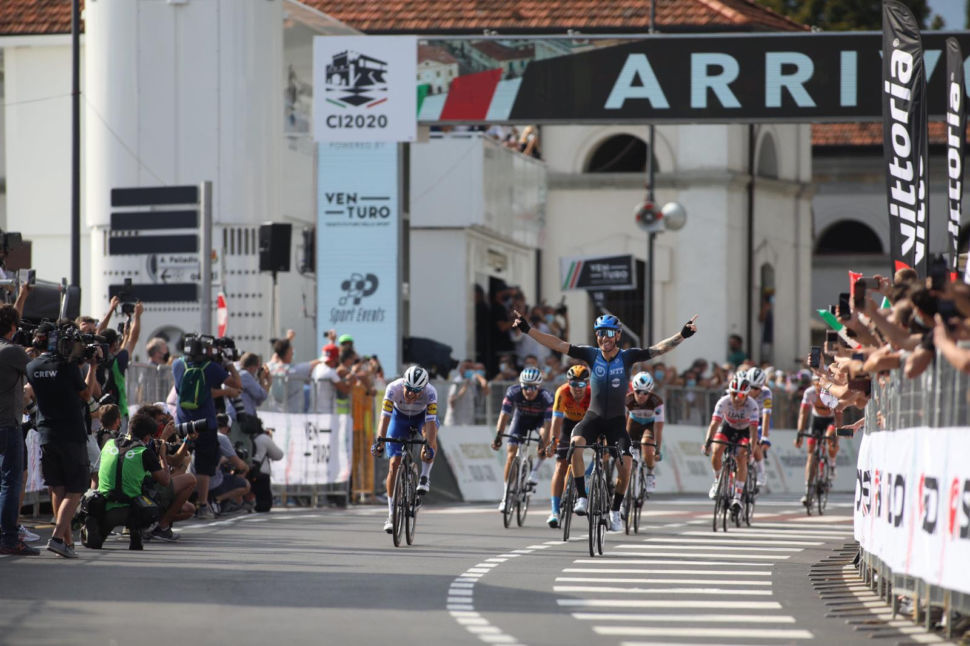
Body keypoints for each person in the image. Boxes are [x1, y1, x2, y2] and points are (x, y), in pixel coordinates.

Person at [510, 310, 698, 532]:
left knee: (626, 466)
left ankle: (615, 510)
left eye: (609, 333)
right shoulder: (591, 354)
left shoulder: (627, 357)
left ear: (617, 335)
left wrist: (682, 334)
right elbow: (557, 344)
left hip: (617, 422)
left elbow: (658, 349)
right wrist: (527, 329)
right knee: (576, 444)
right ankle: (582, 497)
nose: (604, 337)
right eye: (600, 333)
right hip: (593, 417)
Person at [27, 323, 100, 558]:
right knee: (77, 488)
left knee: (57, 488)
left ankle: (66, 543)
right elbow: (87, 394)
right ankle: (58, 536)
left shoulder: (32, 366)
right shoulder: (68, 367)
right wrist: (92, 366)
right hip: (71, 434)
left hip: (46, 434)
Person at [173, 334, 241, 519]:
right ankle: (202, 505)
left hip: (183, 420)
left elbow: (180, 390)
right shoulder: (211, 368)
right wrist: (228, 364)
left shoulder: (178, 364)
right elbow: (237, 384)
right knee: (204, 466)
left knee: (180, 459)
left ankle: (173, 500)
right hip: (206, 422)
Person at [92, 412, 173, 551]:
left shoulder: (109, 443)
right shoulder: (143, 452)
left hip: (104, 505)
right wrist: (162, 456)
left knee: (95, 543)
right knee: (150, 488)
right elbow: (165, 481)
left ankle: (98, 531)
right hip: (131, 509)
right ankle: (137, 531)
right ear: (147, 437)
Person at [372, 365, 438, 533]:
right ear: (403, 383)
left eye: (416, 391)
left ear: (423, 389)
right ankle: (391, 514)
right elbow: (384, 418)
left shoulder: (431, 393)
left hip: (421, 418)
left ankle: (424, 477)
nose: (410, 394)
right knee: (394, 464)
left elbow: (430, 423)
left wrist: (428, 445)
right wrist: (379, 440)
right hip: (398, 418)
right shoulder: (392, 388)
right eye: (408, 388)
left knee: (429, 438)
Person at [490, 366, 554, 513]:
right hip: (520, 420)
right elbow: (504, 415)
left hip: (539, 421)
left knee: (545, 440)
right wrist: (498, 435)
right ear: (521, 385)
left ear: (539, 387)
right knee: (511, 455)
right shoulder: (513, 392)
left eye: (533, 387)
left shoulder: (547, 397)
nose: (529, 391)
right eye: (526, 387)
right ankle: (506, 496)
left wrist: (543, 443)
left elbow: (548, 424)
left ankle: (535, 471)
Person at [0, 304, 36, 555]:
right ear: (13, 328)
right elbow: (37, 372)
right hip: (7, 424)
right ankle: (10, 538)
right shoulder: (12, 351)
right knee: (11, 482)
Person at [702, 375, 759, 513]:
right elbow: (714, 423)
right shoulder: (723, 402)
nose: (737, 398)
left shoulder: (752, 405)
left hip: (744, 431)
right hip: (728, 427)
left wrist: (751, 447)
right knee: (717, 449)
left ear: (746, 395)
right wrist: (708, 442)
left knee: (742, 456)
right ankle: (717, 481)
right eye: (734, 394)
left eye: (741, 395)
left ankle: (738, 497)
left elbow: (753, 431)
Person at [546, 364, 590, 528]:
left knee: (602, 454)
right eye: (573, 384)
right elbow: (556, 421)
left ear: (587, 384)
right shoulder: (562, 392)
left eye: (581, 384)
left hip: (588, 424)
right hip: (568, 424)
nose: (577, 388)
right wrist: (553, 441)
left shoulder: (593, 394)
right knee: (560, 465)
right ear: (568, 383)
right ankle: (554, 511)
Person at [795, 375, 842, 507]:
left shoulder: (832, 392)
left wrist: (836, 438)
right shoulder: (809, 393)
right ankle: (808, 489)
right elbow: (803, 414)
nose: (818, 388)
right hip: (816, 420)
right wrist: (799, 432)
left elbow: (839, 415)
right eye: (816, 384)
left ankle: (832, 464)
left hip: (831, 420)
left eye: (820, 385)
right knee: (811, 453)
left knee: (830, 439)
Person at [626, 371, 665, 495]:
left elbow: (659, 428)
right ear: (633, 389)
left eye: (645, 393)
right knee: (626, 447)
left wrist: (657, 449)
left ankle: (650, 472)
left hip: (649, 425)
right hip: (634, 423)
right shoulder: (628, 399)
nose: (641, 396)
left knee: (647, 446)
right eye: (638, 392)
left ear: (650, 392)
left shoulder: (657, 401)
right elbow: (621, 422)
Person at [745, 366, 772, 489]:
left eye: (756, 388)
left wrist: (765, 436)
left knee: (755, 441)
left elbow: (767, 413)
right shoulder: (744, 389)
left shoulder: (767, 393)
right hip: (746, 418)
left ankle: (761, 471)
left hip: (760, 419)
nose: (752, 391)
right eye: (750, 387)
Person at [444, 360, 488, 426]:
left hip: (468, 423)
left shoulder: (472, 381)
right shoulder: (457, 381)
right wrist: (464, 388)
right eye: (467, 367)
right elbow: (452, 401)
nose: (469, 370)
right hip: (454, 424)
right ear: (460, 369)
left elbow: (485, 389)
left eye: (471, 368)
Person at [311, 344, 343, 414]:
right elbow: (345, 389)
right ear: (335, 358)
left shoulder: (316, 368)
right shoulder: (331, 372)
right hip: (326, 413)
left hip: (313, 410)